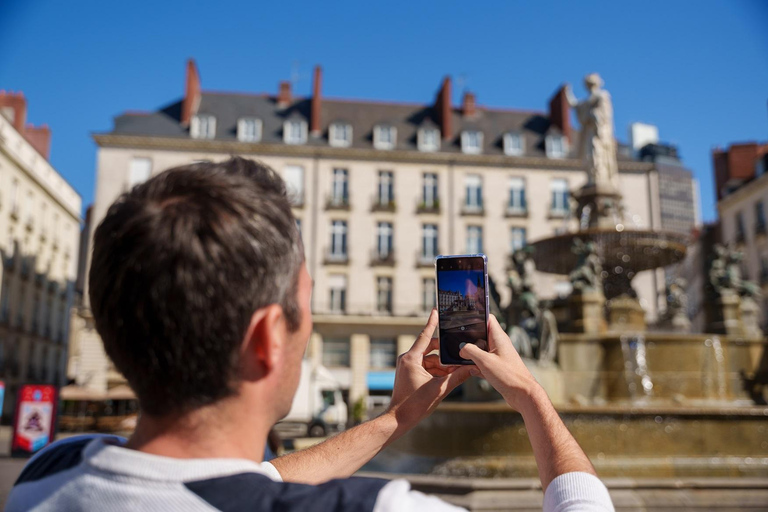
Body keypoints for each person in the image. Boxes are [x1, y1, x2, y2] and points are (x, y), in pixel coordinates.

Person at [6, 158, 614, 511]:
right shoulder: (373, 509)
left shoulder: (47, 475)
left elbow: (239, 483)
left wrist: (396, 419)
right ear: (268, 338)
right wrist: (533, 399)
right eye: (306, 303)